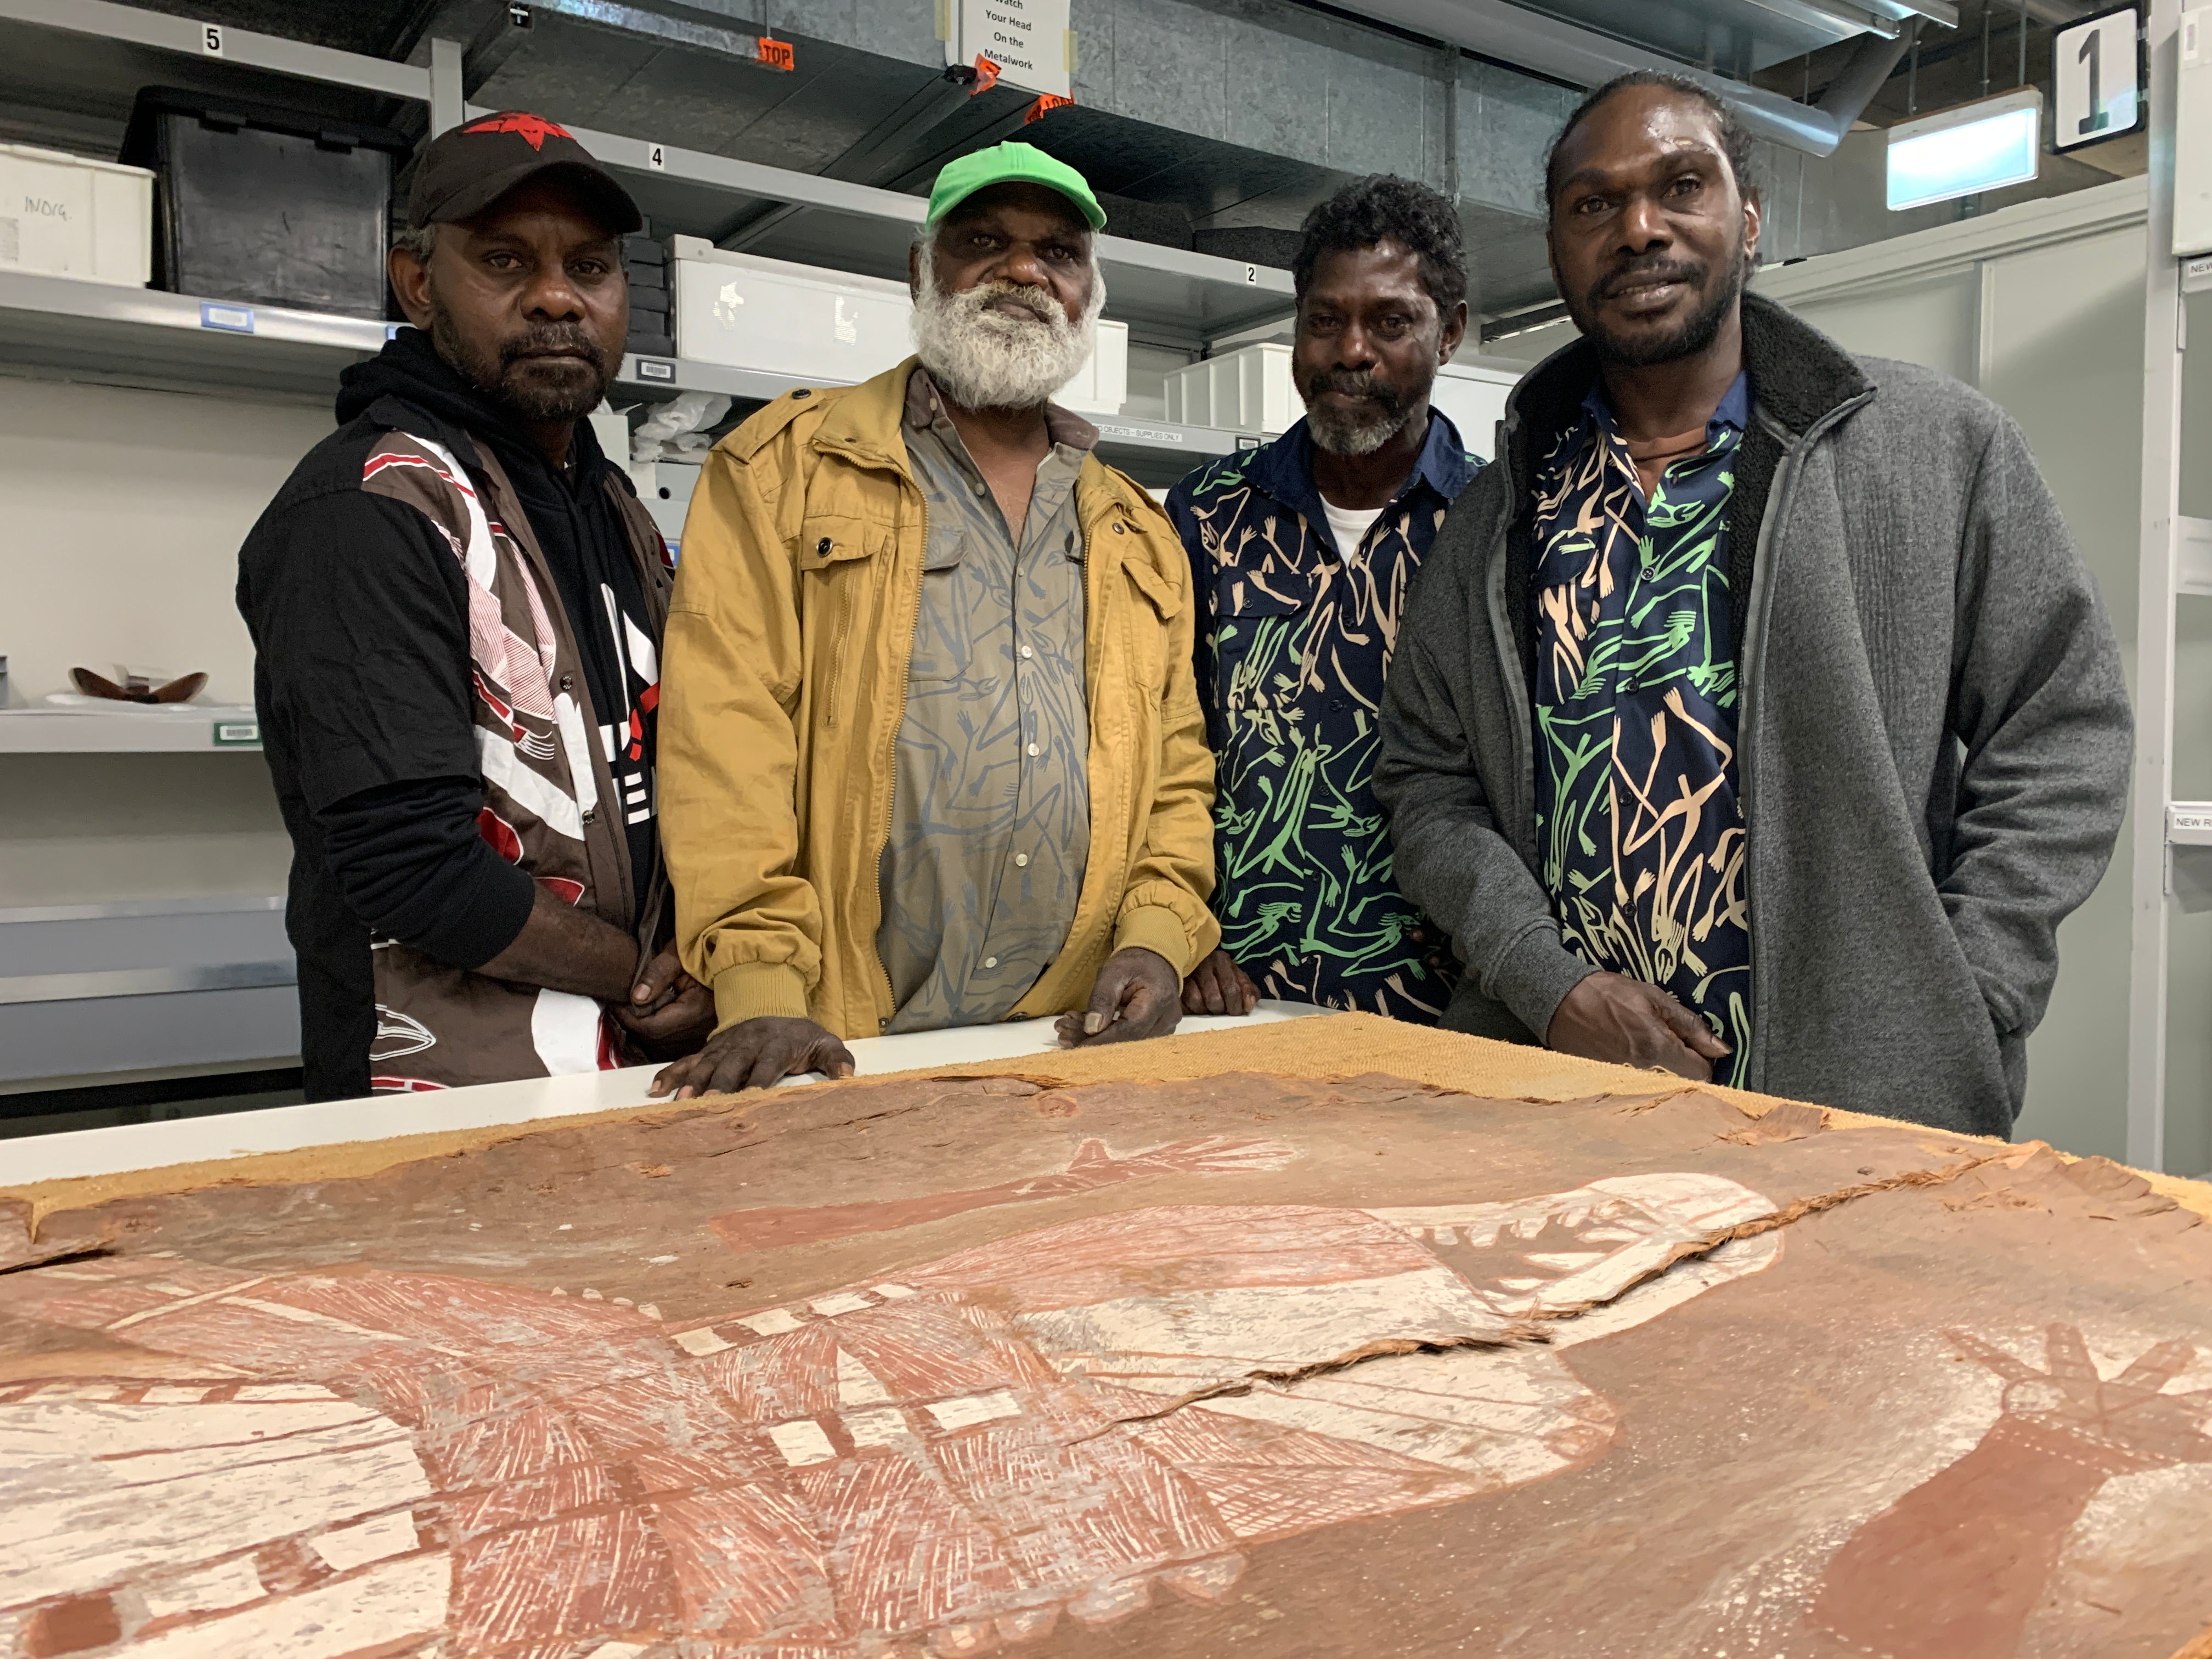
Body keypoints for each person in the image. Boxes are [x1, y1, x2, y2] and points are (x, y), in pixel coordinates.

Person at [1374, 72, 2130, 1135]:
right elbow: (1426, 782)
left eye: (1681, 185)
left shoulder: (1933, 451)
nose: (1639, 228)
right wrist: (1543, 985)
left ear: (1751, 218)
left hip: (1861, 1121)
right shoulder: (1501, 515)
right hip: (1565, 1108)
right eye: (1594, 204)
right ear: (1556, 249)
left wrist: (1961, 995)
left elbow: (2065, 726)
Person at [650, 143, 1217, 1095]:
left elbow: (1176, 771)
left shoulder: (1137, 529)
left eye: (1060, 254)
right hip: (828, 1044)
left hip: (1068, 1044)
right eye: (984, 240)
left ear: (1091, 297)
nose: (1026, 271)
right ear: (920, 272)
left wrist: (1159, 941)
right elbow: (724, 741)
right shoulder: (781, 470)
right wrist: (758, 987)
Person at [238, 113, 714, 1100]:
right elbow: (409, 869)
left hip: (621, 1059)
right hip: (440, 1081)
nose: (555, 298)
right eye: (504, 261)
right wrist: (634, 970)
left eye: (589, 268)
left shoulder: (609, 501)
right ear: (418, 283)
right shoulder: (368, 508)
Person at [1167, 175, 1479, 1024]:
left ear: (1448, 333)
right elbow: (1159, 750)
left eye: (1389, 322)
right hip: (1231, 997)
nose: (1351, 351)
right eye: (1324, 320)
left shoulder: (1502, 527)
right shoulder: (1208, 515)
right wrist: (1176, 930)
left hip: (1448, 1011)